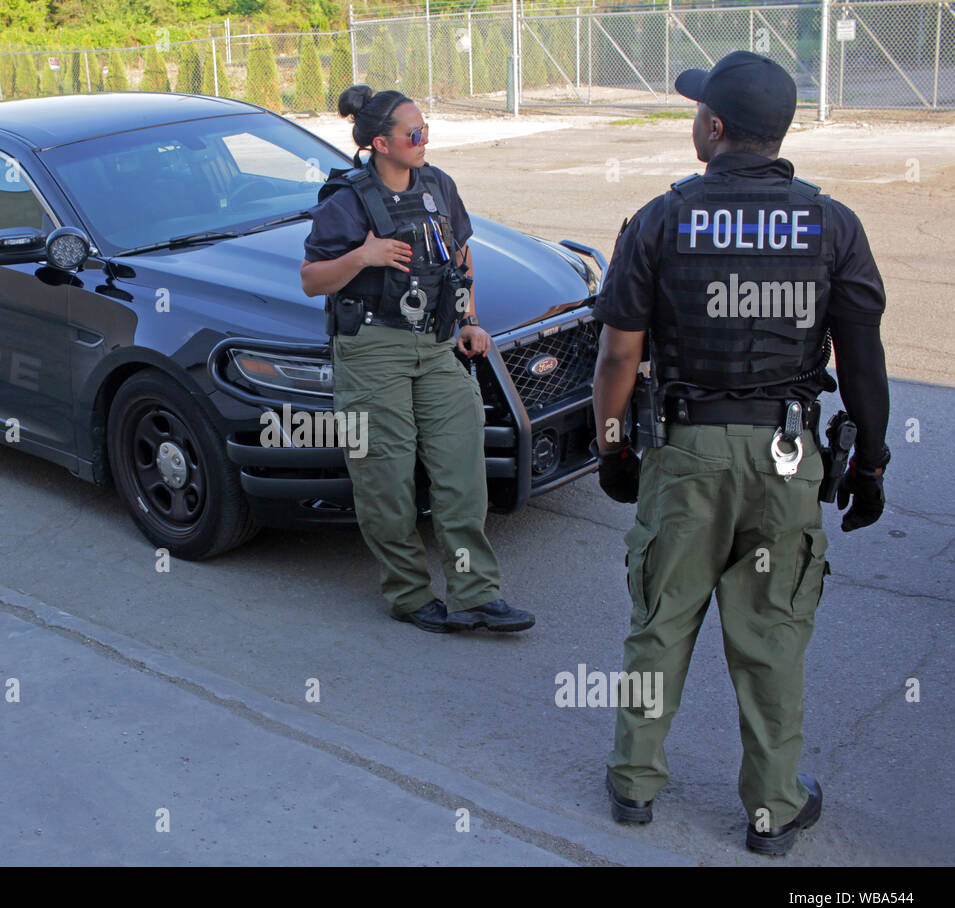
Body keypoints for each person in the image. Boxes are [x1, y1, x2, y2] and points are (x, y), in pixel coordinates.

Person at [589, 52, 890, 855]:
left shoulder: (659, 218)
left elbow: (619, 358)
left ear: (715, 128)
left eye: (696, 111)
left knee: (661, 619)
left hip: (684, 453)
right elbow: (863, 363)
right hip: (786, 459)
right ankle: (772, 810)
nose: (693, 121)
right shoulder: (833, 225)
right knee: (772, 636)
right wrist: (872, 464)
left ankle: (634, 782)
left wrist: (615, 448)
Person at [300, 85, 533, 634]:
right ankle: (408, 595)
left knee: (460, 472)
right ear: (381, 142)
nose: (423, 139)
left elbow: (460, 254)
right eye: (413, 133)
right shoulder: (347, 200)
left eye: (425, 129)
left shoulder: (438, 185)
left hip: (435, 343)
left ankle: (474, 594)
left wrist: (470, 318)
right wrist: (364, 255)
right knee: (386, 478)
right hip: (372, 350)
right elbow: (312, 280)